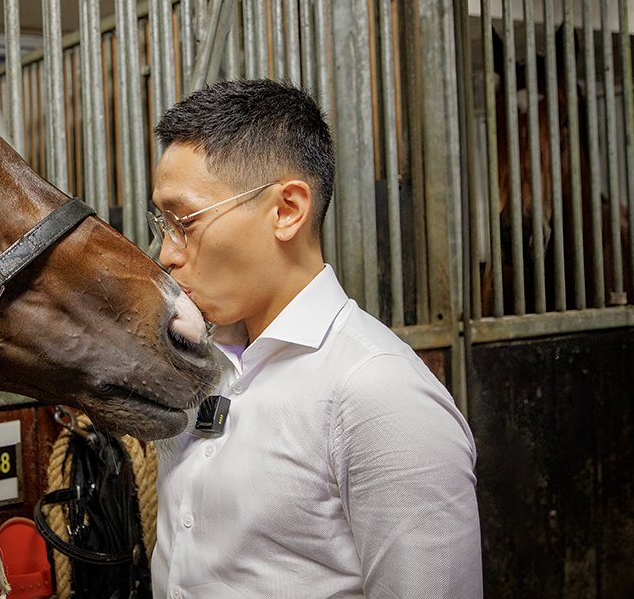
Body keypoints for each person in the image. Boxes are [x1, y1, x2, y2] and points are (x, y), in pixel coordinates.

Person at [147, 79, 482, 598]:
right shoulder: (202, 360)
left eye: (184, 222)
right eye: (161, 224)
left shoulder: (379, 394)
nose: (166, 254)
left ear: (287, 210)